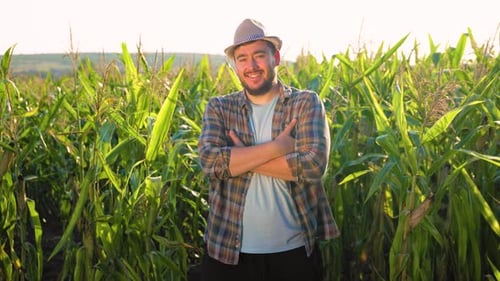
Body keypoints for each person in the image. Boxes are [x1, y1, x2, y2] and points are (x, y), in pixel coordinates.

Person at [197, 18, 340, 281]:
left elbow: (312, 166)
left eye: (259, 56)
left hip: (293, 253)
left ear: (276, 57)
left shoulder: (305, 103)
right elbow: (210, 162)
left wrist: (241, 157)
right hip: (228, 252)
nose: (251, 66)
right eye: (242, 59)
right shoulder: (220, 108)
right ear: (235, 65)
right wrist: (278, 147)